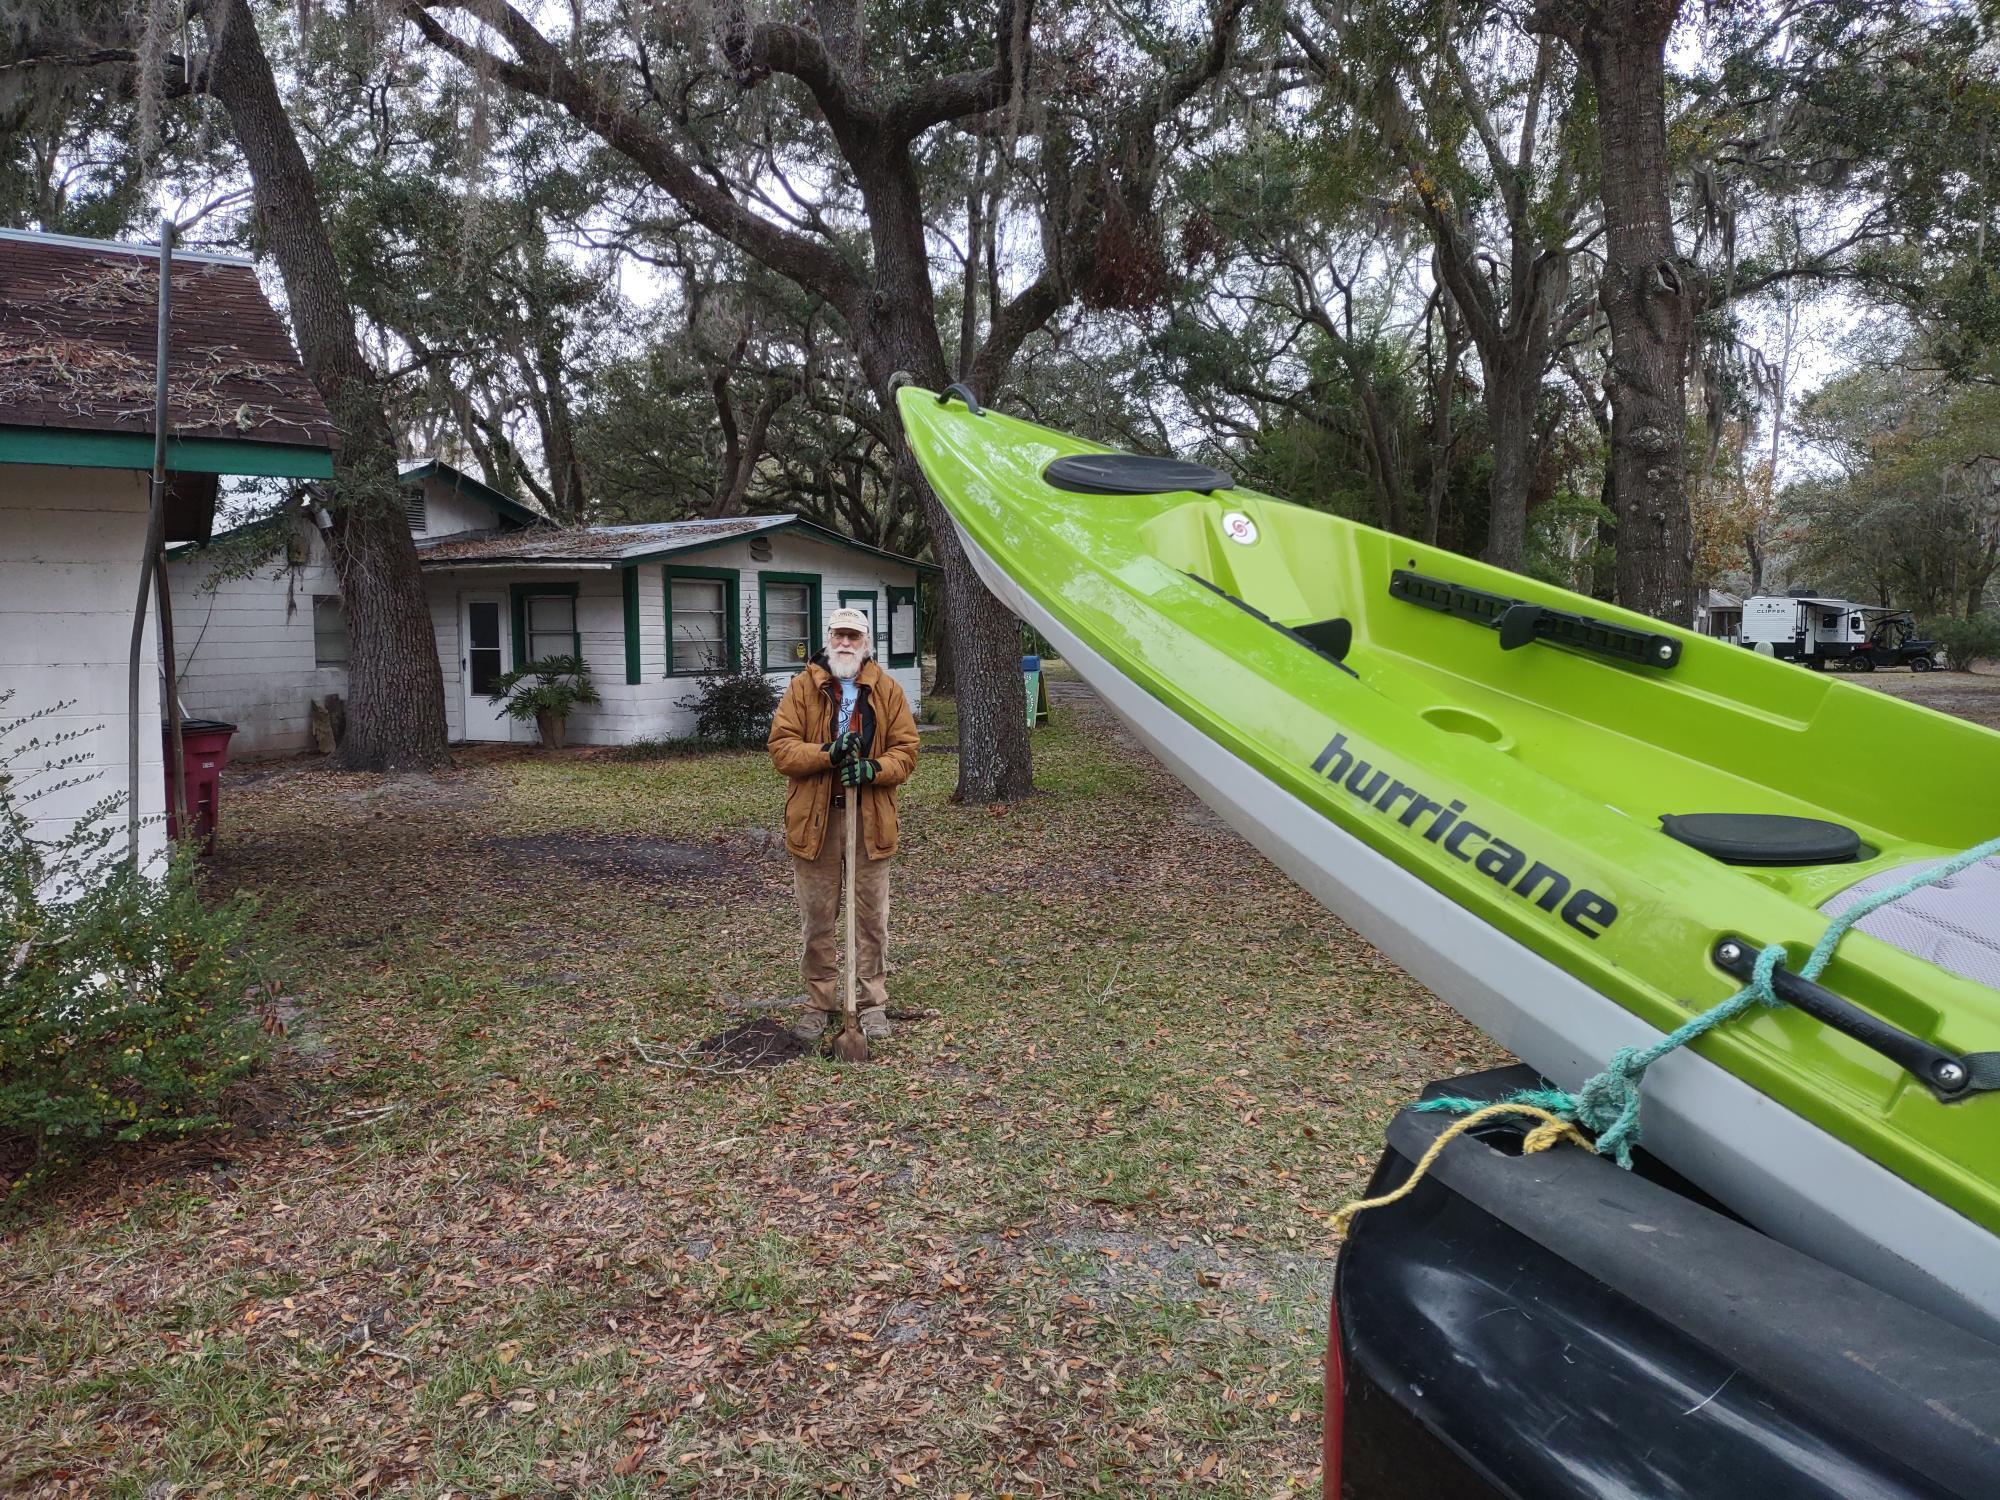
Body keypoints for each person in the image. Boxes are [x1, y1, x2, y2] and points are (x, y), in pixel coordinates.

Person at [767, 607, 920, 1043]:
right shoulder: (803, 688)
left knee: (871, 918)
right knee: (817, 918)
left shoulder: (887, 690)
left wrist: (872, 769)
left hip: (869, 820)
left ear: (867, 642)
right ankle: (820, 1003)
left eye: (854, 636)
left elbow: (907, 752)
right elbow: (781, 749)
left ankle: (872, 1004)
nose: (845, 643)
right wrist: (829, 753)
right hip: (816, 821)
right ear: (828, 639)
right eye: (839, 635)